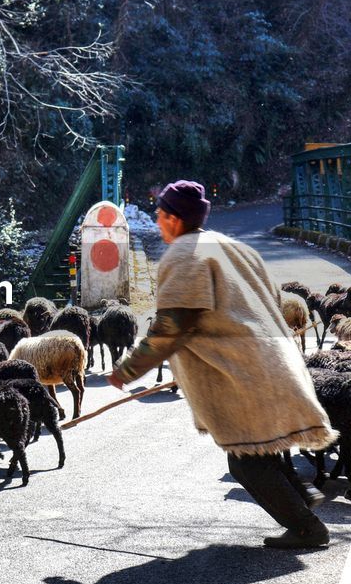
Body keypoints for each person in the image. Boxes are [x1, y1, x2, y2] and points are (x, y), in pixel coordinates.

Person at [106, 180, 336, 549]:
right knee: (266, 447)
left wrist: (127, 370)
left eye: (161, 215)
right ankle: (302, 496)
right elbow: (271, 302)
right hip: (276, 363)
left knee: (245, 460)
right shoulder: (234, 247)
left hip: (243, 375)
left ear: (174, 219)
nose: (158, 222)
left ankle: (308, 528)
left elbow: (170, 328)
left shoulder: (184, 256)